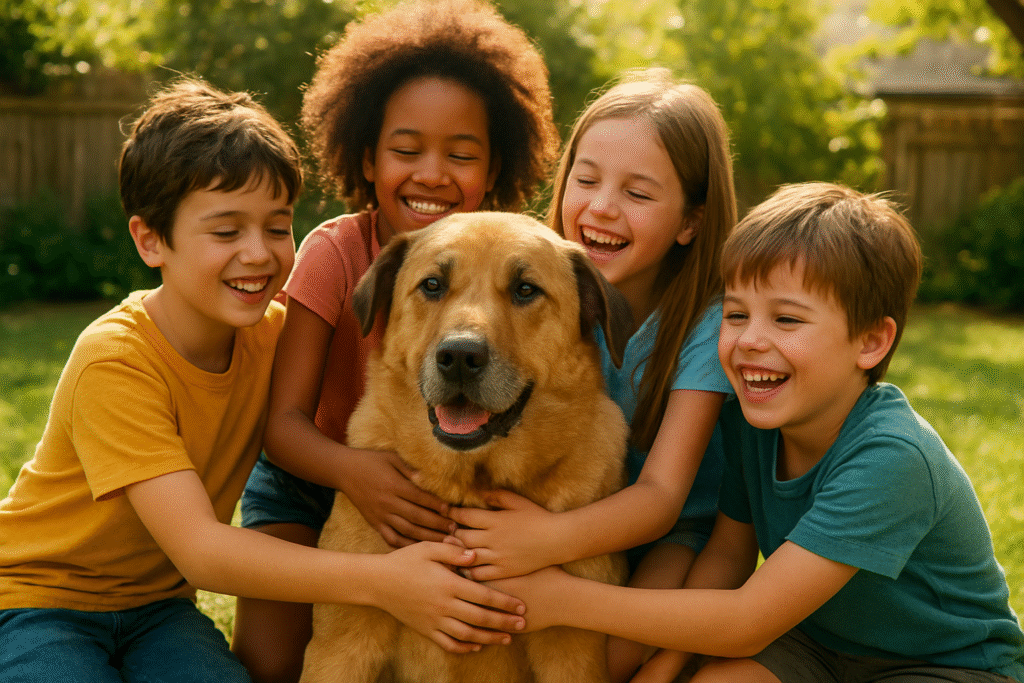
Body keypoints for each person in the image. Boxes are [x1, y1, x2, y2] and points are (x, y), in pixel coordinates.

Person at [0, 77, 526, 683]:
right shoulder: (115, 360)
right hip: (40, 600)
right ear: (150, 239)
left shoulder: (276, 334)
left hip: (158, 610)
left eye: (277, 228)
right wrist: (385, 582)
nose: (259, 254)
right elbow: (201, 550)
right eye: (226, 232)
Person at [487, 182, 1024, 683]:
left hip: (948, 665)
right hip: (818, 645)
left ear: (870, 342)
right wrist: (663, 674)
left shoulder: (893, 457)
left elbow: (748, 619)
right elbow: (726, 557)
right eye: (737, 314)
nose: (749, 341)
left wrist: (559, 598)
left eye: (786, 320)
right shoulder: (755, 425)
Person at [231, 1, 560, 679]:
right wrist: (356, 473)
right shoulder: (335, 251)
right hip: (315, 478)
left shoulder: (517, 260)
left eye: (460, 154)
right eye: (406, 150)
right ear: (368, 158)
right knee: (270, 660)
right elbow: (283, 424)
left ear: (496, 166)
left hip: (446, 478)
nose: (432, 173)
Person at [448, 68, 738, 683]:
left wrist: (543, 543)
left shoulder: (706, 327)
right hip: (567, 506)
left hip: (673, 533)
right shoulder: (543, 293)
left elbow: (661, 500)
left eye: (639, 193)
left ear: (690, 222)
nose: (602, 207)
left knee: (608, 660)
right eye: (587, 179)